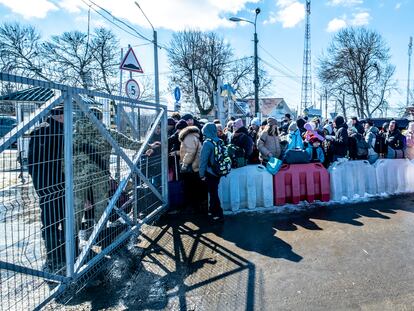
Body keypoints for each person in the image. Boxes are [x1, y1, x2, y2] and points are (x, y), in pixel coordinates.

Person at [73, 107, 143, 248]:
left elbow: (65, 158)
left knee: (76, 211)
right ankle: (101, 239)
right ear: (101, 119)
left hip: (78, 179)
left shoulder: (75, 134)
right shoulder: (106, 133)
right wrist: (148, 145)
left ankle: (72, 246)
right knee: (100, 209)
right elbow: (129, 144)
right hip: (99, 178)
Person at [28, 105, 67, 269]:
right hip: (62, 184)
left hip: (45, 187)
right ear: (60, 116)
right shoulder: (63, 132)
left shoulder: (37, 131)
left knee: (50, 221)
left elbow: (31, 163)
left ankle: (53, 255)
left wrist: (39, 186)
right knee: (66, 219)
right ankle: (67, 254)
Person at [199, 122, 224, 222]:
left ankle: (217, 213)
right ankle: (213, 210)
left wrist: (201, 174)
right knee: (214, 191)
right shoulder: (219, 140)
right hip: (218, 171)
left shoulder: (207, 143)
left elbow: (203, 160)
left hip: (210, 172)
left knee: (213, 193)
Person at [179, 124, 205, 214]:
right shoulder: (195, 137)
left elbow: (190, 152)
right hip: (196, 165)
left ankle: (193, 208)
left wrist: (185, 164)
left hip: (191, 167)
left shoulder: (189, 137)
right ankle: (197, 206)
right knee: (195, 186)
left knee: (190, 187)